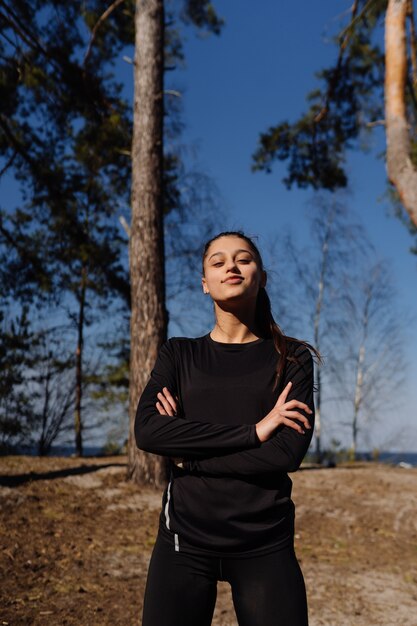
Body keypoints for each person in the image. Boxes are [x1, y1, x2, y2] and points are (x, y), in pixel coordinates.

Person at [135, 230, 319, 626]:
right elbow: (148, 431)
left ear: (262, 277)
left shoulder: (293, 358)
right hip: (183, 540)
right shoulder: (179, 354)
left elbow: (286, 454)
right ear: (205, 284)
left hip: (265, 542)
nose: (231, 267)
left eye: (243, 259)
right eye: (217, 262)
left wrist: (189, 455)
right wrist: (253, 432)